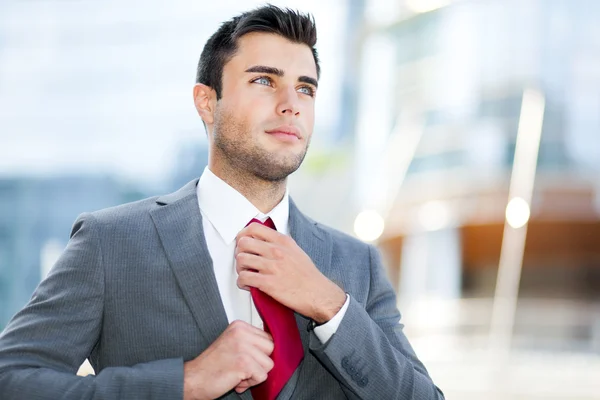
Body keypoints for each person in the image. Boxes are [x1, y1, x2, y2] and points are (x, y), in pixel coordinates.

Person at [0, 5, 444, 400]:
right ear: (206, 103)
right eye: (264, 81)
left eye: (305, 89)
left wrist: (330, 305)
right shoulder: (110, 243)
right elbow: (11, 379)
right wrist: (185, 382)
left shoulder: (357, 264)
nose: (291, 104)